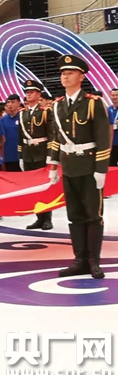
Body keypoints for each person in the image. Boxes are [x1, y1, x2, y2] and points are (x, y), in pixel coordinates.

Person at [49, 55, 110, 279]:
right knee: (74, 215)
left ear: (81, 76)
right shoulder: (57, 105)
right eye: (63, 73)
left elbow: (103, 137)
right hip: (69, 166)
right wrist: (53, 165)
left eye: (70, 73)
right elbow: (56, 137)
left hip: (89, 165)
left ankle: (94, 261)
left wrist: (101, 168)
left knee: (93, 215)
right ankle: (79, 259)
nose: (65, 76)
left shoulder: (93, 102)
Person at [19, 81, 55, 230]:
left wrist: (50, 154)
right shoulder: (23, 113)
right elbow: (20, 136)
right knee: (33, 188)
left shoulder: (45, 112)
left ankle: (47, 219)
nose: (28, 94)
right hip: (28, 153)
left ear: (38, 94)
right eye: (27, 92)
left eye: (32, 92)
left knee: (45, 188)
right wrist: (21, 156)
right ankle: (39, 218)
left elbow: (52, 134)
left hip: (41, 153)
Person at [1, 94, 21, 171]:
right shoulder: (3, 119)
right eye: (8, 102)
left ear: (19, 103)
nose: (10, 104)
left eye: (13, 102)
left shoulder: (22, 116)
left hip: (21, 154)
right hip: (8, 155)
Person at [108, 88, 118, 166]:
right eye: (113, 95)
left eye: (116, 95)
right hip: (112, 143)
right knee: (112, 166)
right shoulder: (108, 109)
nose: (114, 97)